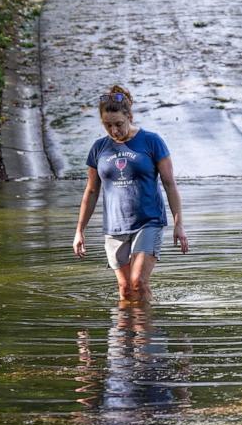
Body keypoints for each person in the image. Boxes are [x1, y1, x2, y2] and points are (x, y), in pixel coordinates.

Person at [73, 85, 189, 302]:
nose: (114, 131)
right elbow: (91, 191)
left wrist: (178, 224)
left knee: (138, 282)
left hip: (148, 221)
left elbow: (170, 184)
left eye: (119, 124)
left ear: (129, 116)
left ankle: (146, 335)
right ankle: (125, 334)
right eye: (108, 125)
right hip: (114, 226)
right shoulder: (99, 148)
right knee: (125, 288)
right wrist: (80, 230)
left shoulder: (152, 141)